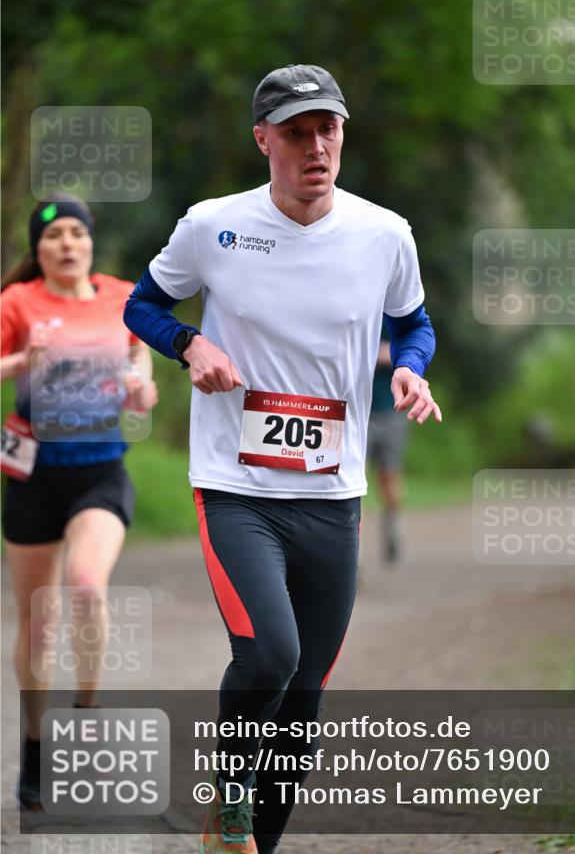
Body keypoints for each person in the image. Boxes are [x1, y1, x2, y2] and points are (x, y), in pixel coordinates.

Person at [124, 64, 440, 854]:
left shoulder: (383, 234)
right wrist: (190, 344)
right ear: (262, 139)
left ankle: (249, 845)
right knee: (271, 652)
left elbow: (415, 323)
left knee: (305, 694)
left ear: (342, 134)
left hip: (333, 495)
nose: (314, 146)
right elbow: (142, 304)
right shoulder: (213, 226)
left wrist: (409, 367)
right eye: (295, 132)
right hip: (234, 485)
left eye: (326, 128)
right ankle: (228, 801)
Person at [1, 193, 157, 810]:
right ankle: (36, 746)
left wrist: (142, 381)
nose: (67, 242)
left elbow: (139, 353)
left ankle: (86, 718)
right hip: (33, 475)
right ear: (38, 250)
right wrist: (20, 360)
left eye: (76, 232)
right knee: (38, 623)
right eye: (54, 235)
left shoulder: (122, 296)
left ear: (90, 243)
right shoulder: (18, 301)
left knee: (88, 586)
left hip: (100, 471)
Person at [367, 327, 410, 563]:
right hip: (358, 414)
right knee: (355, 481)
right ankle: (354, 552)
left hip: (392, 412)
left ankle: (392, 531)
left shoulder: (395, 315)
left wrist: (388, 353)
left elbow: (416, 349)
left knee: (389, 482)